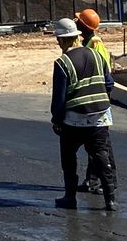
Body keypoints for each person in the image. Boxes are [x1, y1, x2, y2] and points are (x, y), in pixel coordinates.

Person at [49, 18, 116, 212]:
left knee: (68, 157)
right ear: (77, 37)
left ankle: (70, 198)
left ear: (61, 40)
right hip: (99, 118)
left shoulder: (62, 63)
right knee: (101, 155)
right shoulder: (97, 56)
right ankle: (110, 200)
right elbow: (109, 83)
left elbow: (59, 99)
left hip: (75, 120)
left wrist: (57, 120)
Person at [73, 9, 114, 196]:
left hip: (97, 97)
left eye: (78, 21)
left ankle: (103, 181)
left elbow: (102, 71)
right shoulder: (89, 42)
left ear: (84, 26)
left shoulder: (94, 44)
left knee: (99, 143)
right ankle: (94, 180)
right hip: (98, 95)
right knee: (97, 142)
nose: (76, 22)